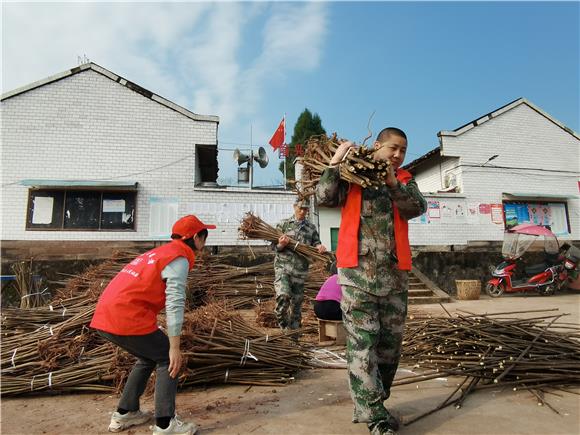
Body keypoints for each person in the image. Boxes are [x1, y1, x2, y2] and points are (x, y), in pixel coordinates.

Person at [315, 127, 427, 435]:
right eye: (393, 148)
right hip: (356, 276)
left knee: (389, 350)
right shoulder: (353, 177)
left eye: (403, 150)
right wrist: (335, 163)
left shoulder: (404, 180)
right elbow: (323, 197)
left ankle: (377, 401)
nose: (398, 155)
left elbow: (417, 208)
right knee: (362, 347)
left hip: (395, 279)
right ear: (377, 145)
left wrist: (393, 183)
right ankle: (375, 418)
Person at [90, 215, 215, 435]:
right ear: (196, 237)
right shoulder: (179, 257)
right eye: (204, 238)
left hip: (105, 315)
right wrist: (174, 347)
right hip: (126, 316)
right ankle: (165, 424)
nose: (204, 244)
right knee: (168, 358)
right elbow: (175, 303)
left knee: (148, 356)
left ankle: (125, 412)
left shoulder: (158, 253)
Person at [274, 199, 327, 330]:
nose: (303, 211)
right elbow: (274, 247)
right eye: (300, 208)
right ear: (294, 207)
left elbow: (316, 243)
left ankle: (294, 337)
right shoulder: (283, 225)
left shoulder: (311, 228)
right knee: (283, 296)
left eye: (306, 209)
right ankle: (283, 326)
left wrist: (320, 247)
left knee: (296, 306)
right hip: (283, 269)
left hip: (300, 271)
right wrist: (282, 244)